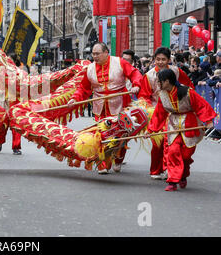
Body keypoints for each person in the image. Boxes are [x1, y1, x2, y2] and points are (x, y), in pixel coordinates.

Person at [67, 42, 142, 174]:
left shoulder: (120, 62)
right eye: (93, 54)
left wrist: (136, 85)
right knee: (101, 134)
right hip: (100, 104)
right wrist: (75, 98)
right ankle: (102, 164)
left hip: (120, 101)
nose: (94, 56)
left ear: (106, 53)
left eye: (97, 54)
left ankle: (118, 159)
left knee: (121, 134)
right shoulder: (89, 69)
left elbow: (135, 74)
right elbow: (83, 88)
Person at [147, 69, 216, 191]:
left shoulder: (187, 92)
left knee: (185, 155)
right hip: (173, 125)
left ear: (167, 81)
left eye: (159, 81)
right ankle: (173, 181)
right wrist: (151, 130)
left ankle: (183, 175)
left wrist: (209, 121)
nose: (158, 84)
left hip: (189, 124)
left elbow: (201, 105)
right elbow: (159, 113)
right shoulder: (162, 94)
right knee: (173, 152)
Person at [138, 47, 194, 180]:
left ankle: (170, 169)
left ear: (169, 60)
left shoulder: (176, 72)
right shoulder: (149, 75)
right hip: (157, 112)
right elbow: (144, 96)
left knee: (172, 142)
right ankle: (156, 169)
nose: (160, 62)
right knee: (157, 143)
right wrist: (149, 110)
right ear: (154, 60)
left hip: (176, 113)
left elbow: (188, 87)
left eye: (163, 59)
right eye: (158, 59)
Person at [0, 53, 24, 155]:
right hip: (5, 101)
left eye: (10, 60)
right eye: (7, 60)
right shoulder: (2, 72)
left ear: (15, 61)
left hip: (16, 102)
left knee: (16, 126)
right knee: (3, 124)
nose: (8, 62)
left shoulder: (21, 73)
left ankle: (16, 147)